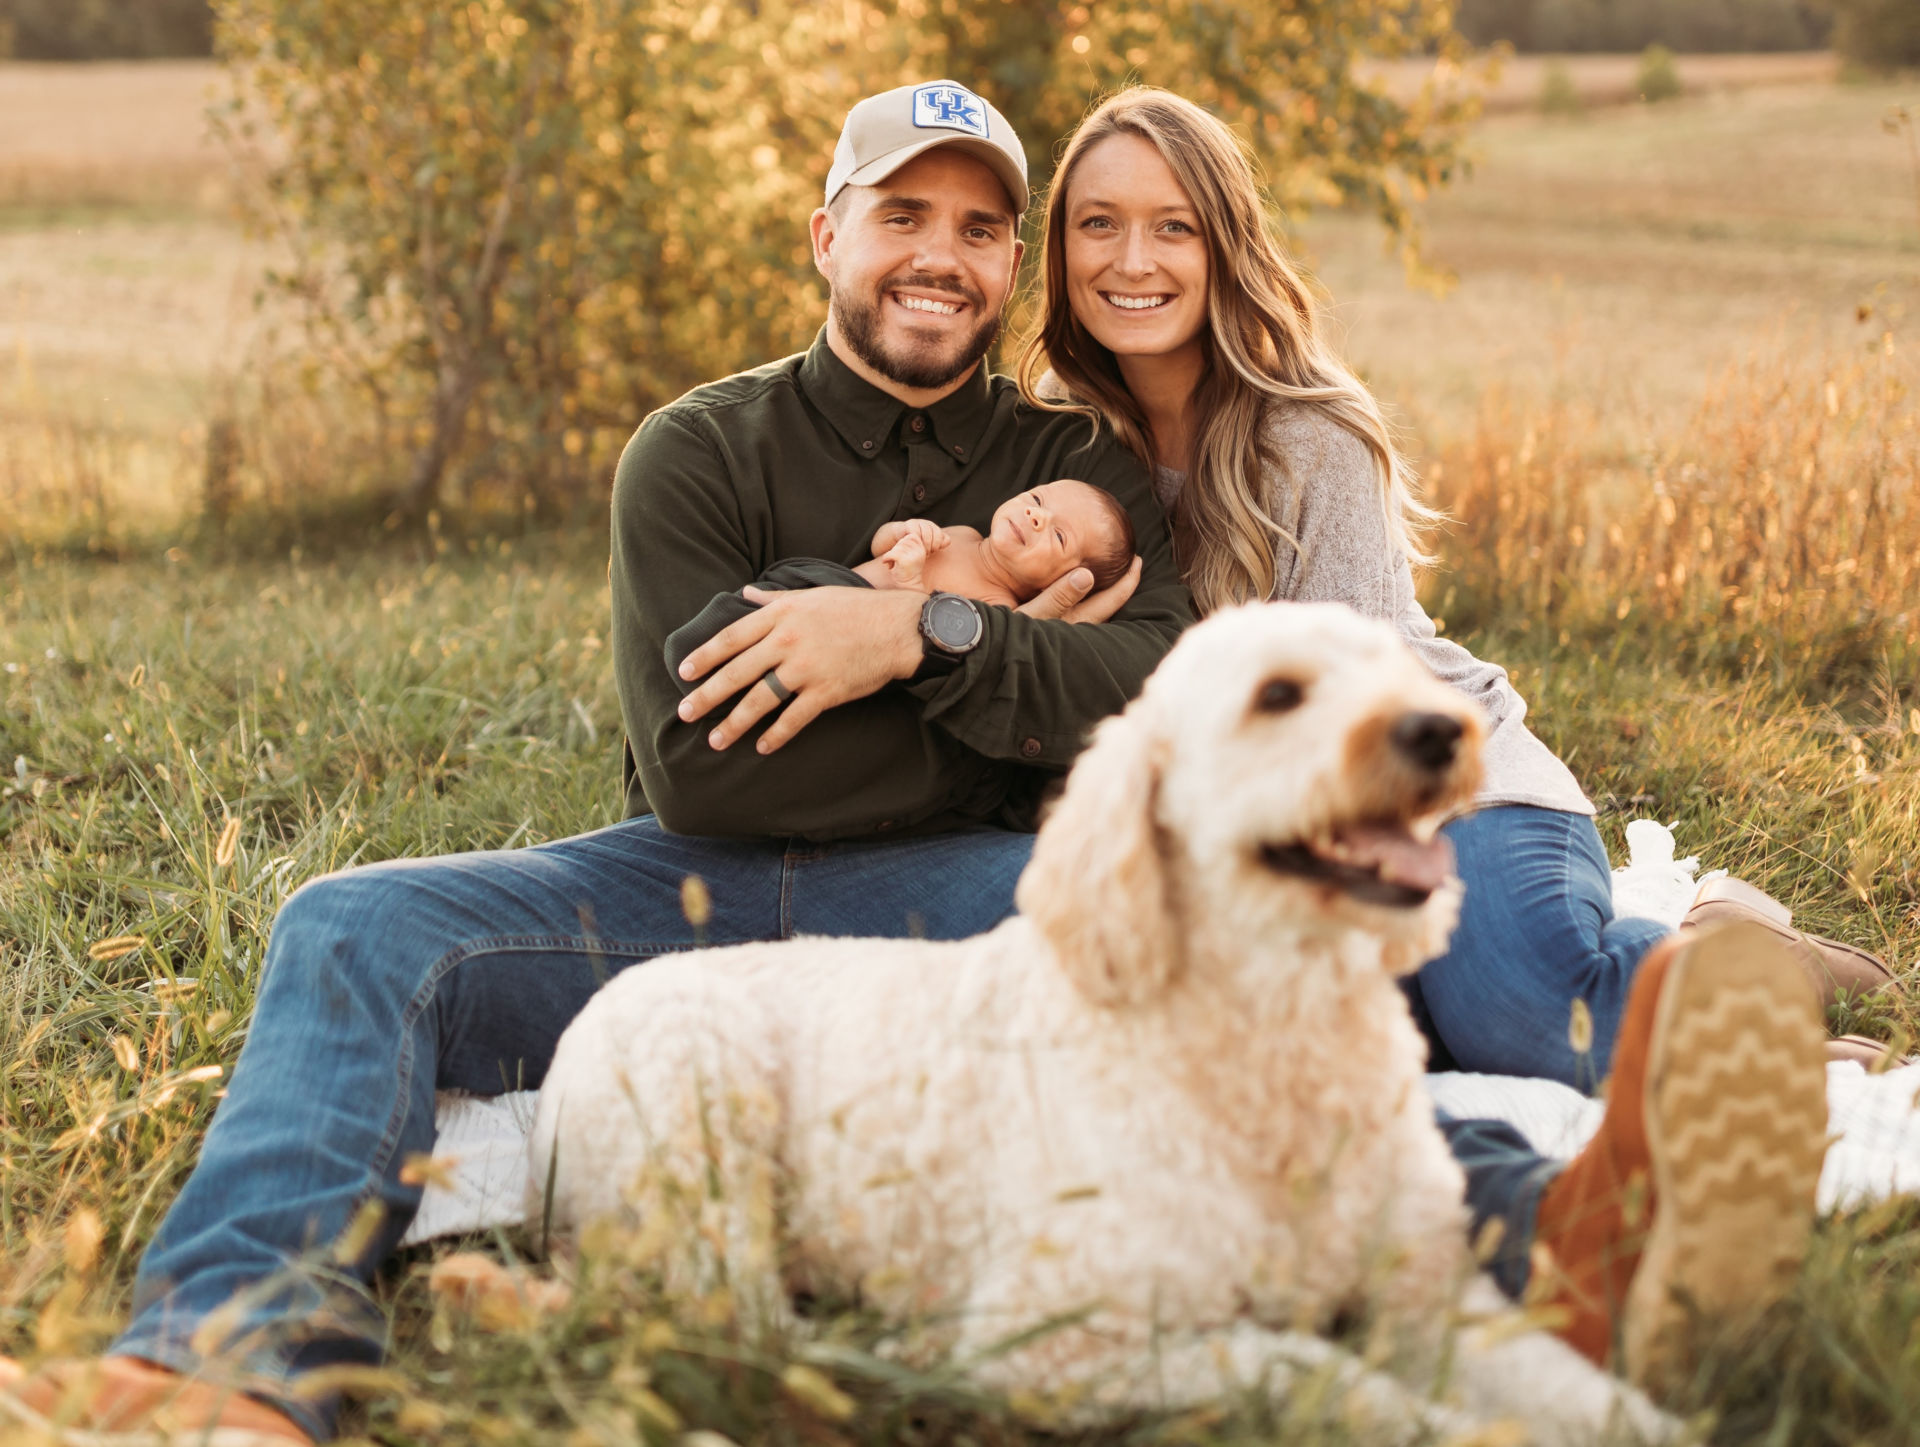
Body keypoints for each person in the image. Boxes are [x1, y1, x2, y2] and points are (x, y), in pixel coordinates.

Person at [0, 81, 1828, 1445]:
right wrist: (1015, 674)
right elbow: (729, 782)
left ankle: (1547, 1241)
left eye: (976, 229)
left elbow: (1157, 692)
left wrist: (915, 635)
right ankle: (231, 1363)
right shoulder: (692, 456)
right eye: (904, 217)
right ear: (830, 231)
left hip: (972, 891)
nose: (939, 257)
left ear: (998, 262)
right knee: (351, 922)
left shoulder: (1086, 457)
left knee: (1217, 990)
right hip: (679, 886)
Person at [1015, 84, 1838, 1377]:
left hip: (1447, 779)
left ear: (1224, 242)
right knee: (1373, 1016)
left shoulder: (1304, 432)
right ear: (1059, 250)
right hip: (1281, 830)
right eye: (1099, 225)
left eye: (1172, 227)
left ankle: (1741, 987)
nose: (1133, 260)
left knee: (1507, 1010)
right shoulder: (1050, 440)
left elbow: (1365, 702)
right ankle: (1675, 929)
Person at [858, 479, 1136, 602]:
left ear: (1054, 587)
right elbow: (878, 548)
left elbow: (925, 643)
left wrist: (910, 585)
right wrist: (901, 532)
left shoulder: (997, 605)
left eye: (1060, 535)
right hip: (825, 580)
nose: (1036, 515)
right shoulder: (964, 535)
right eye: (1038, 499)